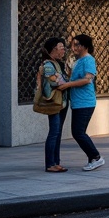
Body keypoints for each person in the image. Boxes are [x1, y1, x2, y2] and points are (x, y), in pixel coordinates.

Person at [60, 34, 104, 171]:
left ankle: (96, 157)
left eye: (77, 44)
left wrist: (68, 85)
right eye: (73, 45)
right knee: (78, 132)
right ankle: (93, 158)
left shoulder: (88, 60)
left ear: (85, 46)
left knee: (78, 132)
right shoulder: (78, 60)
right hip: (78, 102)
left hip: (85, 102)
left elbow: (87, 80)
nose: (74, 48)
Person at [38, 37, 69, 172]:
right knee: (54, 132)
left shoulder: (57, 64)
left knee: (58, 133)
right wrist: (67, 82)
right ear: (53, 49)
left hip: (61, 102)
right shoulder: (48, 65)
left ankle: (56, 162)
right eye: (61, 47)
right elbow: (55, 82)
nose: (63, 50)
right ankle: (50, 164)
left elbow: (63, 79)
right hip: (53, 103)